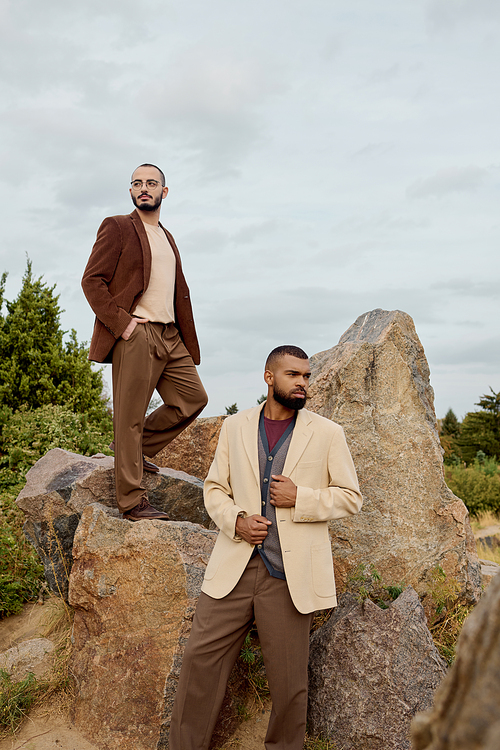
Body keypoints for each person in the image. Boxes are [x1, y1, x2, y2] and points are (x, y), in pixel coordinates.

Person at [169, 345, 362, 750]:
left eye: (307, 376)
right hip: (232, 568)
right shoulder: (235, 427)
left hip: (288, 577)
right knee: (198, 666)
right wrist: (237, 520)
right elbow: (214, 489)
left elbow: (350, 497)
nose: (302, 383)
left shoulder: (327, 433)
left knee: (289, 686)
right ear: (269, 377)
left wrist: (301, 498)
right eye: (293, 375)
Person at [82, 163, 208, 521]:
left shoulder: (168, 237)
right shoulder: (118, 227)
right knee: (129, 417)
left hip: (170, 334)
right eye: (137, 183)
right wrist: (122, 325)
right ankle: (132, 502)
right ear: (131, 191)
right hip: (136, 333)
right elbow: (92, 281)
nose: (144, 188)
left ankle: (134, 450)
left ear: (164, 192)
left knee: (193, 399)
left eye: (151, 183)